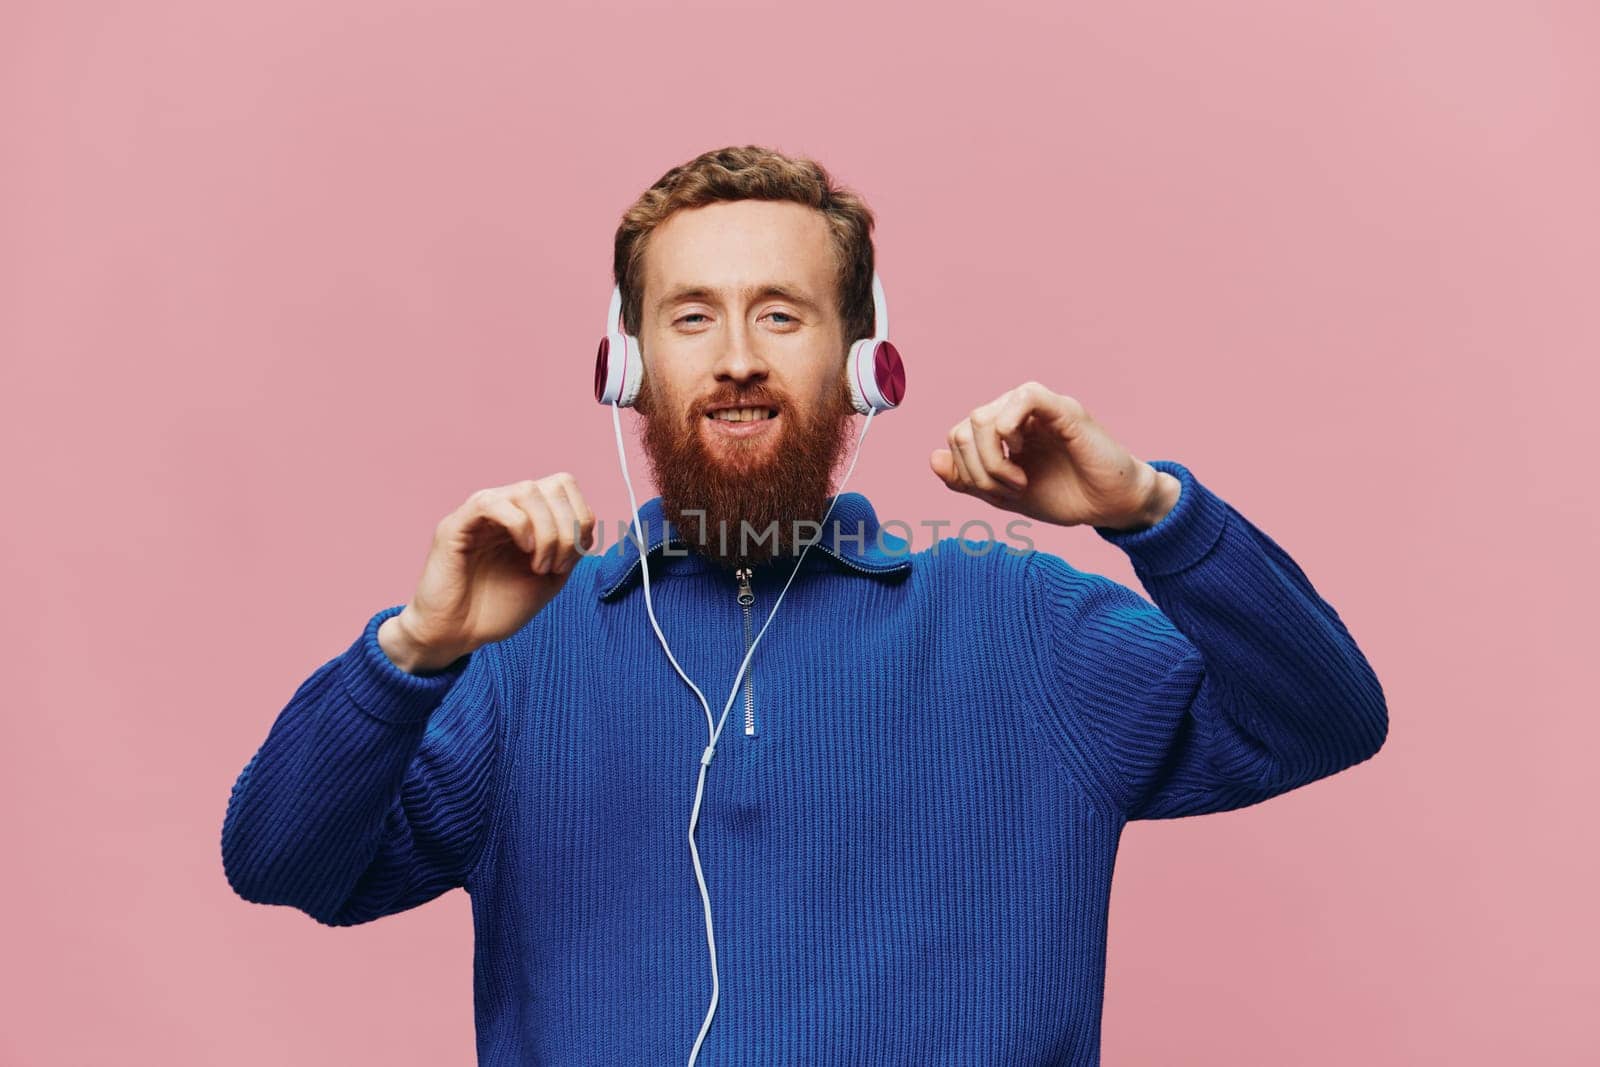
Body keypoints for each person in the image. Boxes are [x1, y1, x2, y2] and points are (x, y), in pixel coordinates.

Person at [221, 144, 1388, 1066]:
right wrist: (413, 649)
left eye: (781, 314)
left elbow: (1324, 718)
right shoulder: (521, 652)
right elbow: (283, 862)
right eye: (691, 317)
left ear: (863, 365)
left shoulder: (1021, 624)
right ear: (626, 367)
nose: (735, 356)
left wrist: (1146, 508)